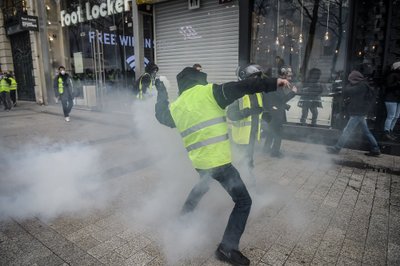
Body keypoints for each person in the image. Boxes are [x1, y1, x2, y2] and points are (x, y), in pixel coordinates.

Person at [154, 65, 289, 266]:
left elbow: (160, 113)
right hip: (218, 162)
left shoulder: (176, 107)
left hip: (200, 163)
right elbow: (244, 86)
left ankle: (184, 216)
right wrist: (273, 82)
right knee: (244, 202)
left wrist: (161, 90)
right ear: (199, 79)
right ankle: (227, 248)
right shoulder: (210, 92)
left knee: (204, 183)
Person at [326, 70, 381, 156]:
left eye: (351, 80)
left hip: (358, 112)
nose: (350, 81)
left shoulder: (361, 85)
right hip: (359, 112)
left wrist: (348, 85)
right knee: (366, 132)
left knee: (347, 131)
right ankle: (375, 149)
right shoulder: (362, 84)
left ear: (355, 79)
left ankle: (336, 148)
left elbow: (348, 91)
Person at [226, 65, 264, 175]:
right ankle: (239, 185)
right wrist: (250, 111)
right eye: (253, 77)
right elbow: (231, 115)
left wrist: (263, 114)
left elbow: (257, 110)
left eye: (257, 77)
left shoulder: (257, 92)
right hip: (241, 138)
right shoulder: (236, 93)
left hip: (252, 135)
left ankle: (250, 184)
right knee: (239, 163)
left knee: (249, 162)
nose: (256, 80)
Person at [263, 66, 297, 157]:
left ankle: (266, 148)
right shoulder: (278, 85)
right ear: (283, 76)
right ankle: (275, 152)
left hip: (272, 111)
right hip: (275, 113)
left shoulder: (276, 83)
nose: (290, 78)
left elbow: (275, 100)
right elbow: (282, 99)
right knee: (278, 132)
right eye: (288, 76)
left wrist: (284, 106)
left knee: (271, 131)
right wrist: (293, 92)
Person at [382, 61, 400, 141]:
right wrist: (398, 84)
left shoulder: (396, 75)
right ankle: (386, 132)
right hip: (391, 98)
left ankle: (390, 131)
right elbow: (388, 86)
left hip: (397, 98)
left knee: (396, 116)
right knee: (391, 116)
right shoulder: (391, 75)